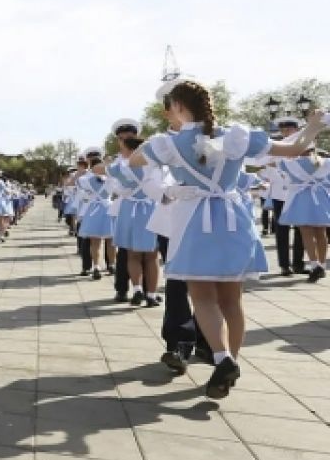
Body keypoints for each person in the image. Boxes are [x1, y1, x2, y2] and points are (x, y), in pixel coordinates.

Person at [128, 79, 324, 398]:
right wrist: (312, 127)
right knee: (232, 300)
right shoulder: (236, 136)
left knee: (203, 297)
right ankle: (231, 361)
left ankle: (224, 359)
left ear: (177, 106)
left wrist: (175, 139)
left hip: (195, 222)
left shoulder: (168, 143)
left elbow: (135, 160)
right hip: (234, 220)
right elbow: (294, 150)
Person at [107, 120, 160, 306]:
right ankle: (136, 291)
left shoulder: (119, 165)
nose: (123, 142)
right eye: (121, 138)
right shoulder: (151, 160)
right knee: (145, 254)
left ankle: (142, 290)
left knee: (135, 254)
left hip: (131, 208)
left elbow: (114, 187)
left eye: (127, 139)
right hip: (145, 207)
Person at [276, 146, 330, 282]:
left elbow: (274, 162)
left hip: (301, 199)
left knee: (306, 233)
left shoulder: (291, 163)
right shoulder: (326, 162)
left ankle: (314, 265)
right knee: (321, 233)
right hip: (320, 199)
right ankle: (322, 265)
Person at [268, 116, 308, 276]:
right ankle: (284, 265)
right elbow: (266, 165)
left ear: (296, 130)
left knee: (301, 229)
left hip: (297, 193)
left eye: (289, 130)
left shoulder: (303, 146)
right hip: (280, 193)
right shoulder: (276, 146)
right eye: (283, 130)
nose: (285, 133)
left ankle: (298, 263)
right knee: (282, 230)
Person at [76, 155, 116, 280]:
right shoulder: (111, 178)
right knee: (111, 241)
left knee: (95, 242)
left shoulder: (86, 179)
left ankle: (97, 266)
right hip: (109, 209)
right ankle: (111, 264)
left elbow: (78, 185)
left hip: (94, 210)